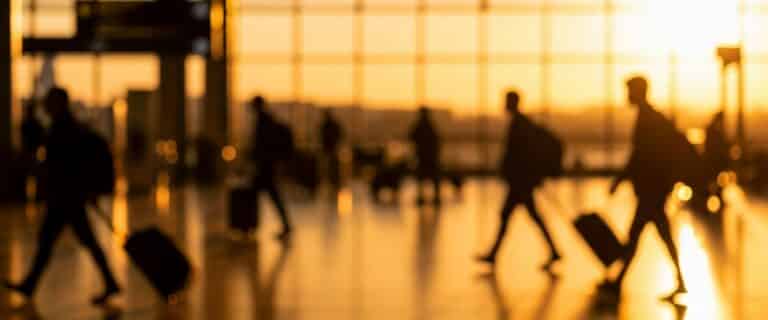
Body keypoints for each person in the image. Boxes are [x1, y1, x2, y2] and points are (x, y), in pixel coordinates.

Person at [3, 87, 120, 305]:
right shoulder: (67, 127)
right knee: (71, 242)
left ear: (58, 103)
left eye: (49, 101)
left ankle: (30, 284)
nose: (46, 105)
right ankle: (109, 281)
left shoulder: (63, 129)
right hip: (68, 196)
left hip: (65, 197)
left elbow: (62, 164)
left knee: (55, 242)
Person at [605, 76, 687, 300]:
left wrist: (620, 180)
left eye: (629, 91)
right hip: (655, 188)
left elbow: (639, 156)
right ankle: (679, 280)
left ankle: (619, 281)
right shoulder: (651, 117)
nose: (626, 96)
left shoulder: (647, 120)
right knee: (656, 235)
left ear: (638, 92)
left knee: (638, 235)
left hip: (651, 189)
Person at [477, 91, 561, 270]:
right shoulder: (522, 123)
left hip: (520, 181)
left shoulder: (519, 124)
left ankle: (494, 254)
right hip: (523, 180)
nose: (503, 104)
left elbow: (519, 154)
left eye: (506, 101)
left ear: (512, 103)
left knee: (509, 216)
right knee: (526, 216)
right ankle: (553, 251)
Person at [250, 96, 293, 239]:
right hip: (268, 165)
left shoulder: (263, 122)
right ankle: (285, 225)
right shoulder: (268, 120)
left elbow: (260, 145)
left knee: (268, 196)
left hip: (264, 166)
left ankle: (249, 224)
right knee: (274, 196)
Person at [408, 106, 442, 205]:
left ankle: (424, 197)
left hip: (424, 156)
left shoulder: (421, 125)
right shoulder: (430, 125)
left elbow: (411, 136)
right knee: (432, 177)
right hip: (429, 156)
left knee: (423, 177)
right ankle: (434, 197)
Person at [320, 110, 344, 189]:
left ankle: (331, 178)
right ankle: (332, 178)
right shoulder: (331, 125)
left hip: (329, 148)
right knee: (331, 164)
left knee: (329, 164)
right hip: (332, 148)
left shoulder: (325, 126)